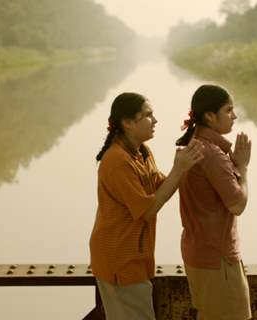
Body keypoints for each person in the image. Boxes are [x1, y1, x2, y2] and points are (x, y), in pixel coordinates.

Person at [90, 92, 204, 320]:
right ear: (128, 123)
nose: (155, 120)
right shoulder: (116, 162)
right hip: (119, 259)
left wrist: (186, 168)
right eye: (148, 115)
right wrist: (179, 170)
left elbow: (161, 185)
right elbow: (146, 210)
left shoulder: (142, 152)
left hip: (135, 258)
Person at [175, 84, 252, 320]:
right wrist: (243, 167)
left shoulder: (195, 145)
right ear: (209, 116)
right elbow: (237, 205)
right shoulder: (212, 153)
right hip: (217, 258)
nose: (234, 116)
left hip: (200, 251)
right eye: (228, 110)